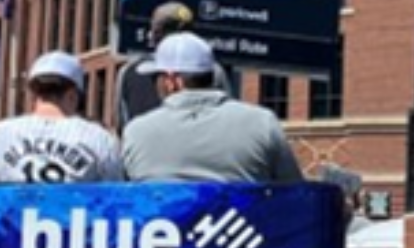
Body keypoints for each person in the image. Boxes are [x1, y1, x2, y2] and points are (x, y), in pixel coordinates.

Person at [123, 32, 302, 184]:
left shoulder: (136, 133)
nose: (155, 86)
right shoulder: (263, 124)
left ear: (172, 81)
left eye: (156, 78)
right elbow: (298, 193)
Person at [0, 50, 125, 194]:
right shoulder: (99, 138)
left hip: (9, 224)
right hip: (70, 223)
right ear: (72, 96)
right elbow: (115, 195)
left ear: (34, 94)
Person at [115, 1, 231, 129]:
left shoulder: (129, 72)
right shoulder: (212, 70)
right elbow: (224, 118)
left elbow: (122, 125)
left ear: (153, 34)